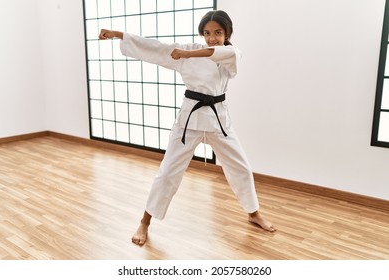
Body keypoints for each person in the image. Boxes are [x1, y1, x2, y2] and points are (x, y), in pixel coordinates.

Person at [99, 10, 276, 246]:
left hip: (218, 121)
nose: (211, 37)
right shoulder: (187, 50)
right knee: (168, 172)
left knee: (241, 167)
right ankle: (144, 222)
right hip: (189, 121)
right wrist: (119, 34)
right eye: (206, 33)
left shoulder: (232, 53)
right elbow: (155, 48)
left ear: (228, 33)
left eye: (217, 32)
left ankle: (254, 213)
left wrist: (186, 53)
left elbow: (214, 52)